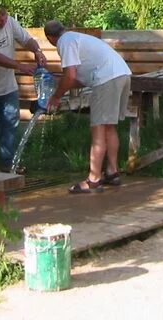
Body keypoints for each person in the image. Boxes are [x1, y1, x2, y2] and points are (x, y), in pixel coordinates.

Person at [43, 20, 132, 194]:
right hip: (122, 74)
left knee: (97, 129)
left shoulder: (65, 42)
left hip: (107, 79)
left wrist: (55, 97)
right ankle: (112, 173)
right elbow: (76, 80)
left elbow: (69, 75)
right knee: (109, 127)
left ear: (50, 38)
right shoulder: (78, 38)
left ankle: (93, 180)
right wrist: (58, 83)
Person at [0, 7, 47, 171]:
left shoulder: (10, 22)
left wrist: (37, 51)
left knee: (10, 122)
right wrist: (20, 66)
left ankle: (9, 163)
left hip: (7, 84)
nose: (3, 21)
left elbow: (26, 39)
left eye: (4, 17)